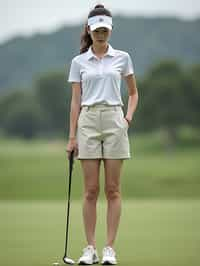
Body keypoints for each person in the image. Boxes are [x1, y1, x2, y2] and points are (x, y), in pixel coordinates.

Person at [66, 4, 138, 265]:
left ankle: (109, 249)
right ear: (89, 29)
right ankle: (90, 248)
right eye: (97, 30)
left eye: (105, 30)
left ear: (110, 30)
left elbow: (133, 93)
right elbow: (75, 101)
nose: (101, 34)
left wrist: (127, 119)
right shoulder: (78, 62)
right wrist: (72, 137)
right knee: (90, 190)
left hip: (114, 118)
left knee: (113, 189)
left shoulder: (123, 57)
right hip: (87, 121)